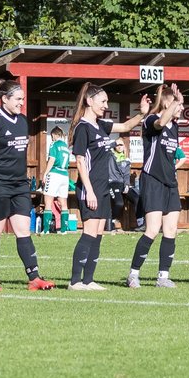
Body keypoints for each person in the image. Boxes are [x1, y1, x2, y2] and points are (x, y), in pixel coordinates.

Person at [0, 79, 56, 291]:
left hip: (19, 185)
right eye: (18, 99)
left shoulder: (23, 121)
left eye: (23, 99)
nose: (21, 103)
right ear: (5, 99)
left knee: (23, 229)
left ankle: (34, 278)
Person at [69, 84, 148, 290]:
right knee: (89, 231)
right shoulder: (82, 128)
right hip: (91, 187)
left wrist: (142, 113)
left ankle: (89, 280)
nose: (106, 105)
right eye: (102, 101)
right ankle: (75, 281)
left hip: (103, 187)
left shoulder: (100, 125)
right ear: (89, 101)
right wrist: (90, 190)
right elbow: (79, 161)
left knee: (98, 234)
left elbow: (125, 127)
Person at [128, 83, 186, 288]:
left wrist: (177, 103)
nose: (181, 108)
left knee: (171, 230)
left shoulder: (176, 126)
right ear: (167, 102)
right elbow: (161, 121)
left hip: (170, 183)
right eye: (178, 104)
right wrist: (174, 104)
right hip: (152, 180)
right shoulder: (151, 120)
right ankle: (133, 274)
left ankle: (163, 276)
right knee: (152, 229)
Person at [41, 127, 70, 234]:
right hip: (65, 175)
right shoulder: (65, 147)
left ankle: (46, 230)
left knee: (48, 201)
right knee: (63, 203)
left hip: (55, 174)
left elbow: (52, 159)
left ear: (53, 135)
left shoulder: (54, 144)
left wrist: (45, 173)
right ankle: (63, 230)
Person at [108, 136, 133, 230]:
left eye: (121, 145)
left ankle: (140, 222)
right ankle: (113, 220)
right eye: (117, 145)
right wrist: (113, 143)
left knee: (137, 197)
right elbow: (105, 148)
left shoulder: (126, 159)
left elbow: (127, 174)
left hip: (122, 184)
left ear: (124, 146)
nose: (119, 147)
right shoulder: (110, 155)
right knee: (119, 203)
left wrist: (127, 185)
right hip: (112, 183)